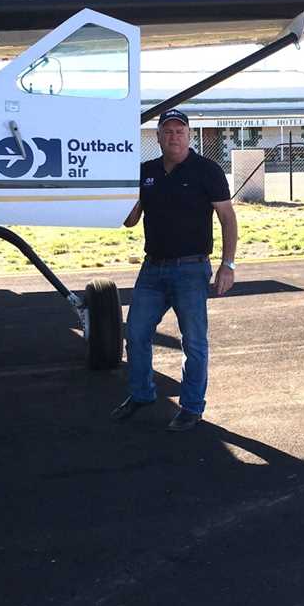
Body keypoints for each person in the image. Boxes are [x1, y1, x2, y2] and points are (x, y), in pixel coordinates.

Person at [110, 108, 238, 431]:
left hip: (191, 270)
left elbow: (227, 218)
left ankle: (191, 407)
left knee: (193, 341)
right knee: (136, 333)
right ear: (158, 137)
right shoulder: (146, 172)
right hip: (152, 269)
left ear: (190, 135)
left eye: (180, 131)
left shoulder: (208, 171)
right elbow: (130, 221)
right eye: (167, 131)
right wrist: (123, 193)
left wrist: (228, 265)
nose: (174, 136)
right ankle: (142, 394)